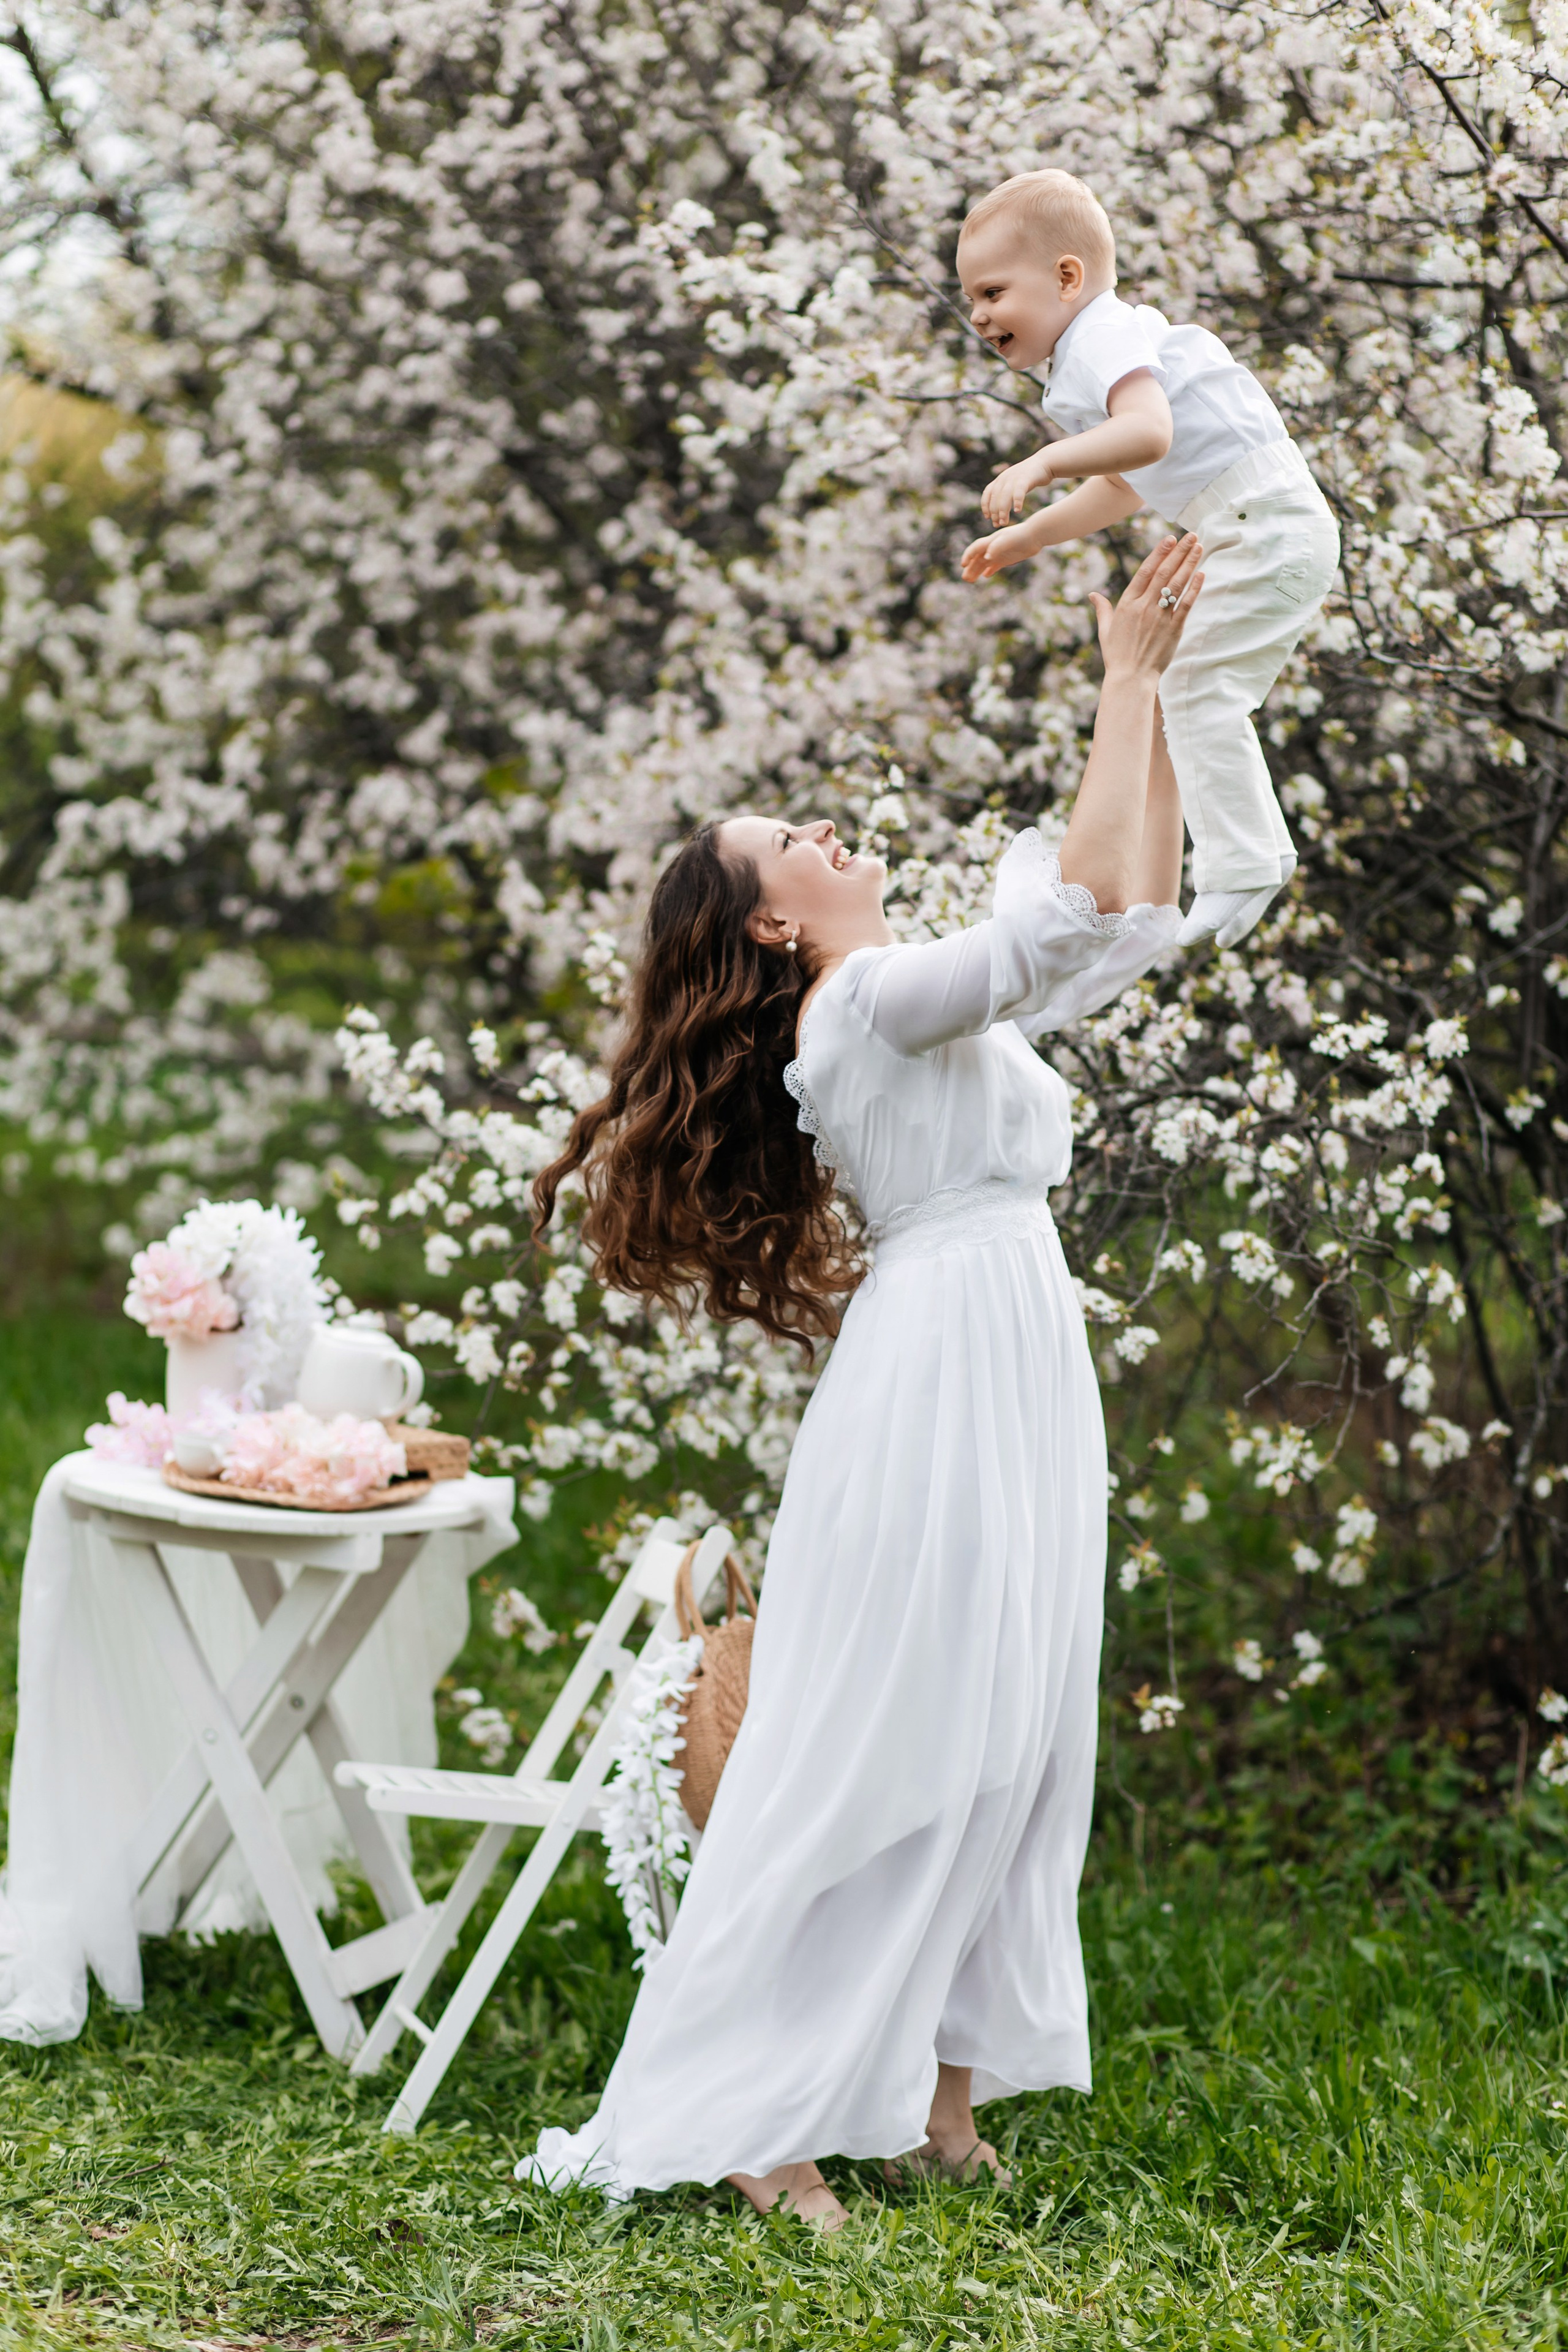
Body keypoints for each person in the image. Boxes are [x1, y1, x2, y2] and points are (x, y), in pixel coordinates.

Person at [517, 534, 1201, 2231]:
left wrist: (1160, 697)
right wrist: (1120, 687)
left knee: (1012, 1735)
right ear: (769, 915)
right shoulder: (868, 1001)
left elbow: (1137, 901)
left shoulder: (894, 1004)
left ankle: (935, 2105)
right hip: (943, 1372)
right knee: (897, 1739)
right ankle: (763, 2117)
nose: (824, 830)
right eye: (786, 842)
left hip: (1007, 1350)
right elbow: (1074, 915)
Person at [957, 168, 1340, 952]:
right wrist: (1035, 534)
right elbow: (1127, 482)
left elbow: (1148, 435)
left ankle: (1243, 866)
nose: (978, 315)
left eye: (993, 292)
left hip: (1263, 524)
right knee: (1186, 690)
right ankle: (1245, 859)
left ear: (1067, 277)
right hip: (1254, 524)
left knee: (1197, 688)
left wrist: (1042, 464)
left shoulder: (1101, 334)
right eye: (971, 299)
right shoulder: (1093, 352)